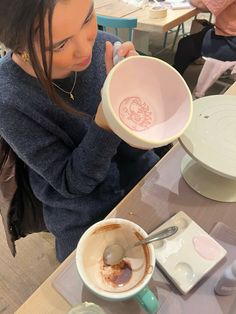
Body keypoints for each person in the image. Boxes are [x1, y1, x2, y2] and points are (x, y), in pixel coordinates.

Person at [0, 0, 162, 262]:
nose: (86, 45)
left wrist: (140, 101)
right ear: (21, 47)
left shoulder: (106, 46)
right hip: (82, 215)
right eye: (60, 44)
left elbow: (143, 144)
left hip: (144, 184)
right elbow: (70, 183)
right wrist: (107, 122)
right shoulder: (10, 98)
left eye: (87, 18)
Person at [173, 0, 236, 75]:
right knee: (204, 30)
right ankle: (194, 57)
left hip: (232, 42)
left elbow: (202, 5)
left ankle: (173, 79)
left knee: (185, 45)